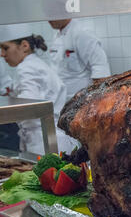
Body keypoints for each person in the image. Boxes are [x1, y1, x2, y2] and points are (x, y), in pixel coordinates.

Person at [0, 23, 76, 155]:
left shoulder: (27, 68)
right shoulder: (34, 64)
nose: (2, 54)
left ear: (24, 46)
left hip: (45, 142)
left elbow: (27, 108)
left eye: (5, 48)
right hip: (48, 139)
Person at [48, 19, 111, 102]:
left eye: (52, 14)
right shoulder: (57, 36)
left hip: (81, 102)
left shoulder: (82, 32)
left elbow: (100, 68)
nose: (49, 19)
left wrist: (100, 101)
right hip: (61, 101)